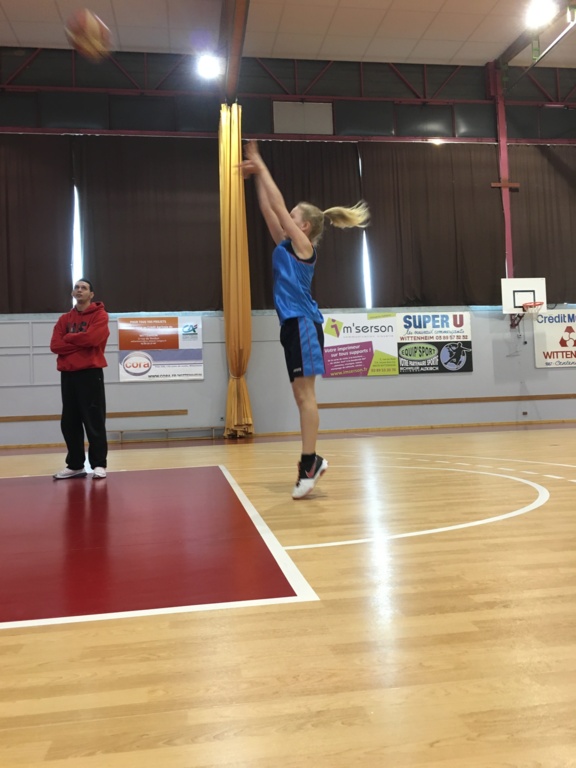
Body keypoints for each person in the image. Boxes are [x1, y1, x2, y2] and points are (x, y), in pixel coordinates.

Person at [239, 140, 370, 499]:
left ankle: (310, 463)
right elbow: (268, 207)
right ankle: (313, 460)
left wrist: (260, 163)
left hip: (303, 324)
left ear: (305, 227)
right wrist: (257, 178)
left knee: (305, 396)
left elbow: (278, 206)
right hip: (291, 326)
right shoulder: (284, 246)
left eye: (294, 216)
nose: (288, 217)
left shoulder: (304, 248)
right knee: (301, 396)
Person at [50, 278, 110, 480]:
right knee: (70, 422)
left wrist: (69, 338)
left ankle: (99, 464)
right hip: (68, 375)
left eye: (84, 288)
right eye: (76, 287)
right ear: (72, 293)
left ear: (91, 294)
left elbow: (92, 339)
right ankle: (75, 465)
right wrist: (80, 342)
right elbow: (55, 345)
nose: (79, 290)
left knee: (94, 421)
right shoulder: (64, 319)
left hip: (90, 374)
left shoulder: (100, 316)